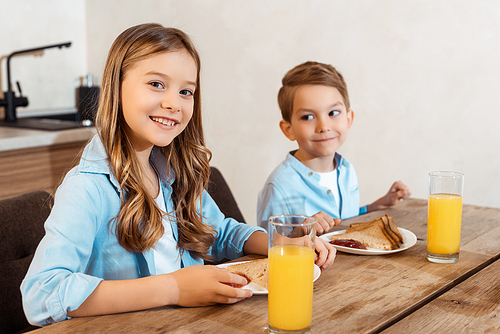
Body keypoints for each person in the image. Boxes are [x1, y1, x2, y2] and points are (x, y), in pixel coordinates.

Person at [21, 25, 336, 327]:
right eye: (157, 84)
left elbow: (221, 233)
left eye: (186, 91)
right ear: (116, 88)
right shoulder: (86, 188)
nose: (173, 103)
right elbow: (43, 293)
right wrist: (174, 288)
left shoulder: (175, 174)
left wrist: (285, 246)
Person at [257, 61, 410, 235]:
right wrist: (301, 232)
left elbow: (344, 221)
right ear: (288, 129)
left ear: (348, 119)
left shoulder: (347, 170)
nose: (323, 126)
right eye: (308, 116)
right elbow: (269, 249)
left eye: (333, 113)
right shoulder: (280, 187)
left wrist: (381, 204)